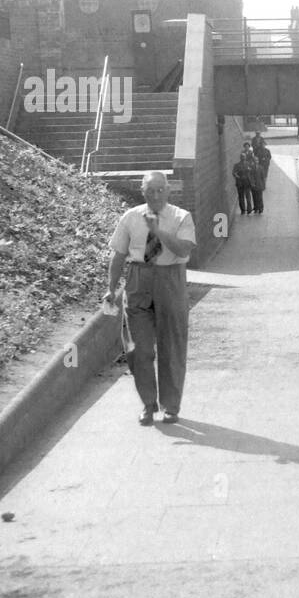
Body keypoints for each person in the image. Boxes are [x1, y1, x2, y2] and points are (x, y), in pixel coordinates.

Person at [103, 172, 198, 425]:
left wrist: (158, 231)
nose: (155, 195)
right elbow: (119, 254)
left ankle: (171, 406)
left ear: (168, 191)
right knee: (138, 348)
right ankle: (148, 404)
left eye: (160, 190)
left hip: (171, 279)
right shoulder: (131, 217)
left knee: (172, 346)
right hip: (138, 279)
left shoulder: (181, 217)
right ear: (142, 191)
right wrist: (111, 288)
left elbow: (183, 249)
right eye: (150, 190)